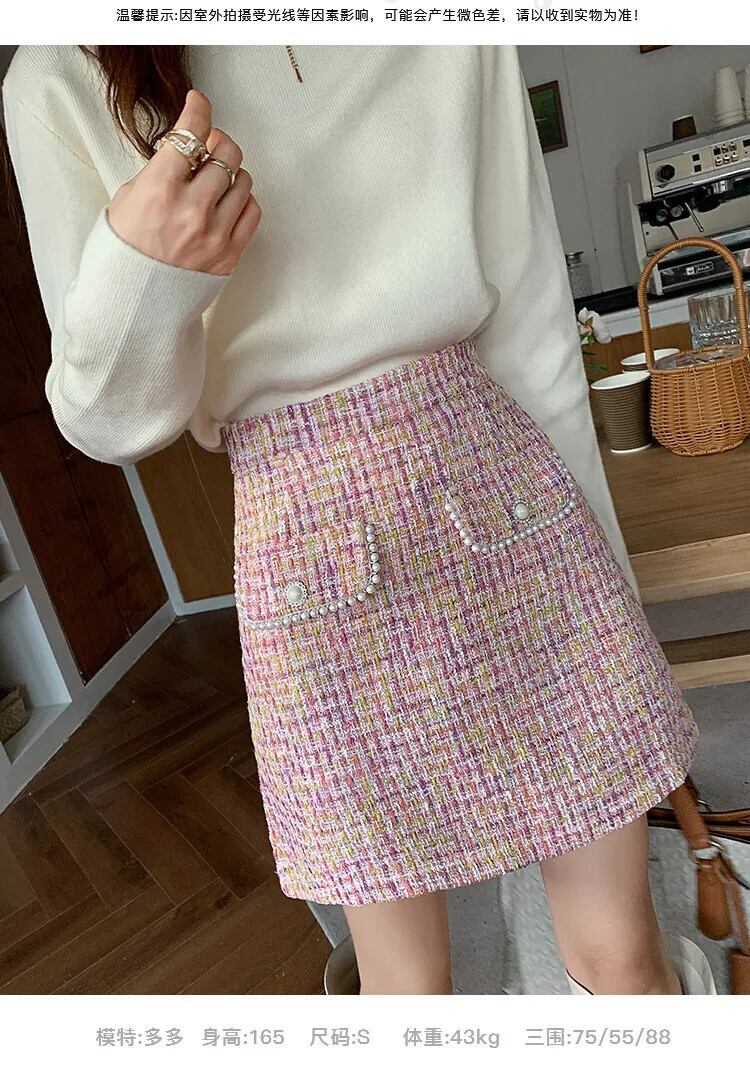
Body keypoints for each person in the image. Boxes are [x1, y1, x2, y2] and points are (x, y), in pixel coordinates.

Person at [2, 43, 707, 995]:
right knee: (405, 989)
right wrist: (143, 272)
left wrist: (610, 605)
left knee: (623, 956)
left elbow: (534, 319)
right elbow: (110, 424)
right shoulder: (58, 68)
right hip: (305, 549)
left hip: (502, 482)